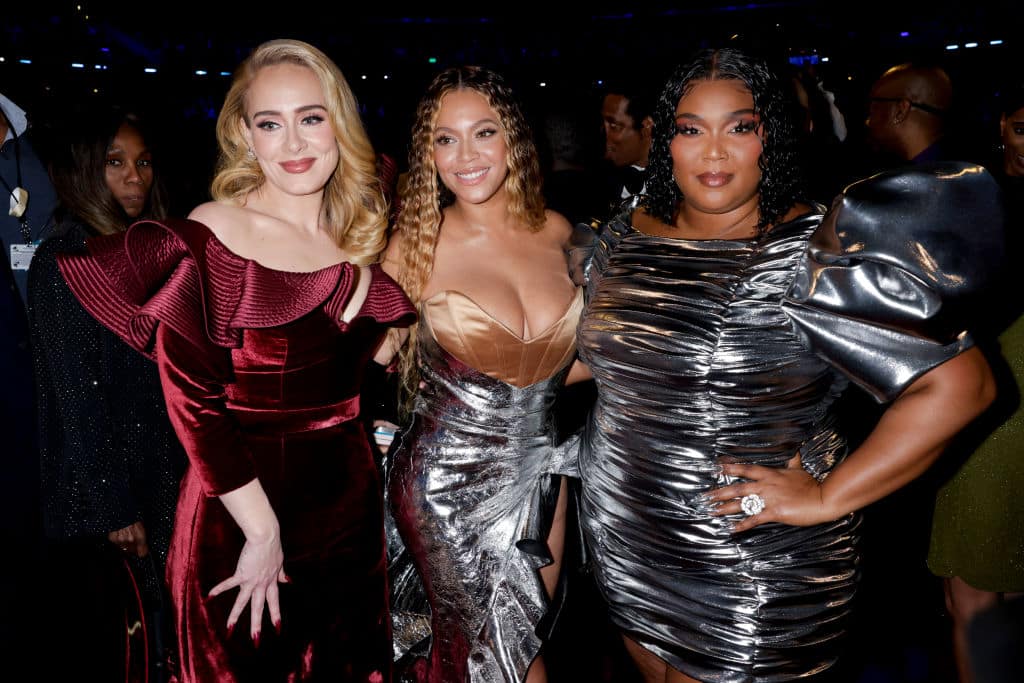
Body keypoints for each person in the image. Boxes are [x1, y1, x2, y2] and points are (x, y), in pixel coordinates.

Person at [573, 46, 1000, 682]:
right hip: (626, 538)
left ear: (770, 137)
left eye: (739, 128)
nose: (713, 152)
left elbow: (960, 388)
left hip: (753, 558)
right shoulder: (623, 236)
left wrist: (830, 495)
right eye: (691, 129)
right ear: (665, 140)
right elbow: (594, 361)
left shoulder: (815, 252)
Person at [56, 38, 416, 682]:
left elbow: (364, 359)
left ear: (339, 121)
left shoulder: (359, 226)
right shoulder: (214, 231)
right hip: (241, 513)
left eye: (311, 117)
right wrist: (261, 531)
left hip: (349, 509)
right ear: (245, 137)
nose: (294, 143)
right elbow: (193, 402)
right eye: (269, 124)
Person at [383, 65, 589, 682]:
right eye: (445, 139)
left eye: (483, 133)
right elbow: (355, 360)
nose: (465, 156)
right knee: (502, 662)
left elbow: (570, 363)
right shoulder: (413, 243)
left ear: (514, 140)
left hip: (543, 479)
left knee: (510, 648)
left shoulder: (560, 233)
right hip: (445, 484)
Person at [29, 106, 185, 681]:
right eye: (115, 163)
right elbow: (77, 397)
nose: (135, 177)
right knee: (124, 647)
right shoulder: (66, 258)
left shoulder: (151, 248)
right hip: (105, 498)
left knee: (164, 639)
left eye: (142, 162)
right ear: (84, 169)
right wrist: (114, 508)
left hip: (159, 472)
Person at [926, 82, 1024, 683]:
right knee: (976, 595)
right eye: (1022, 126)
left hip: (997, 396)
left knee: (978, 600)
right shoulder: (976, 196)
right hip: (985, 391)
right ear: (1002, 126)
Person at [864, 62, 957, 166]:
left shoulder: (914, 179)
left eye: (874, 107)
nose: (868, 121)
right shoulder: (960, 170)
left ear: (900, 111)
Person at [599, 78, 655, 213]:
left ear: (646, 126)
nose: (605, 137)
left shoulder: (684, 183)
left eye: (614, 126)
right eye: (603, 125)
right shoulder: (598, 184)